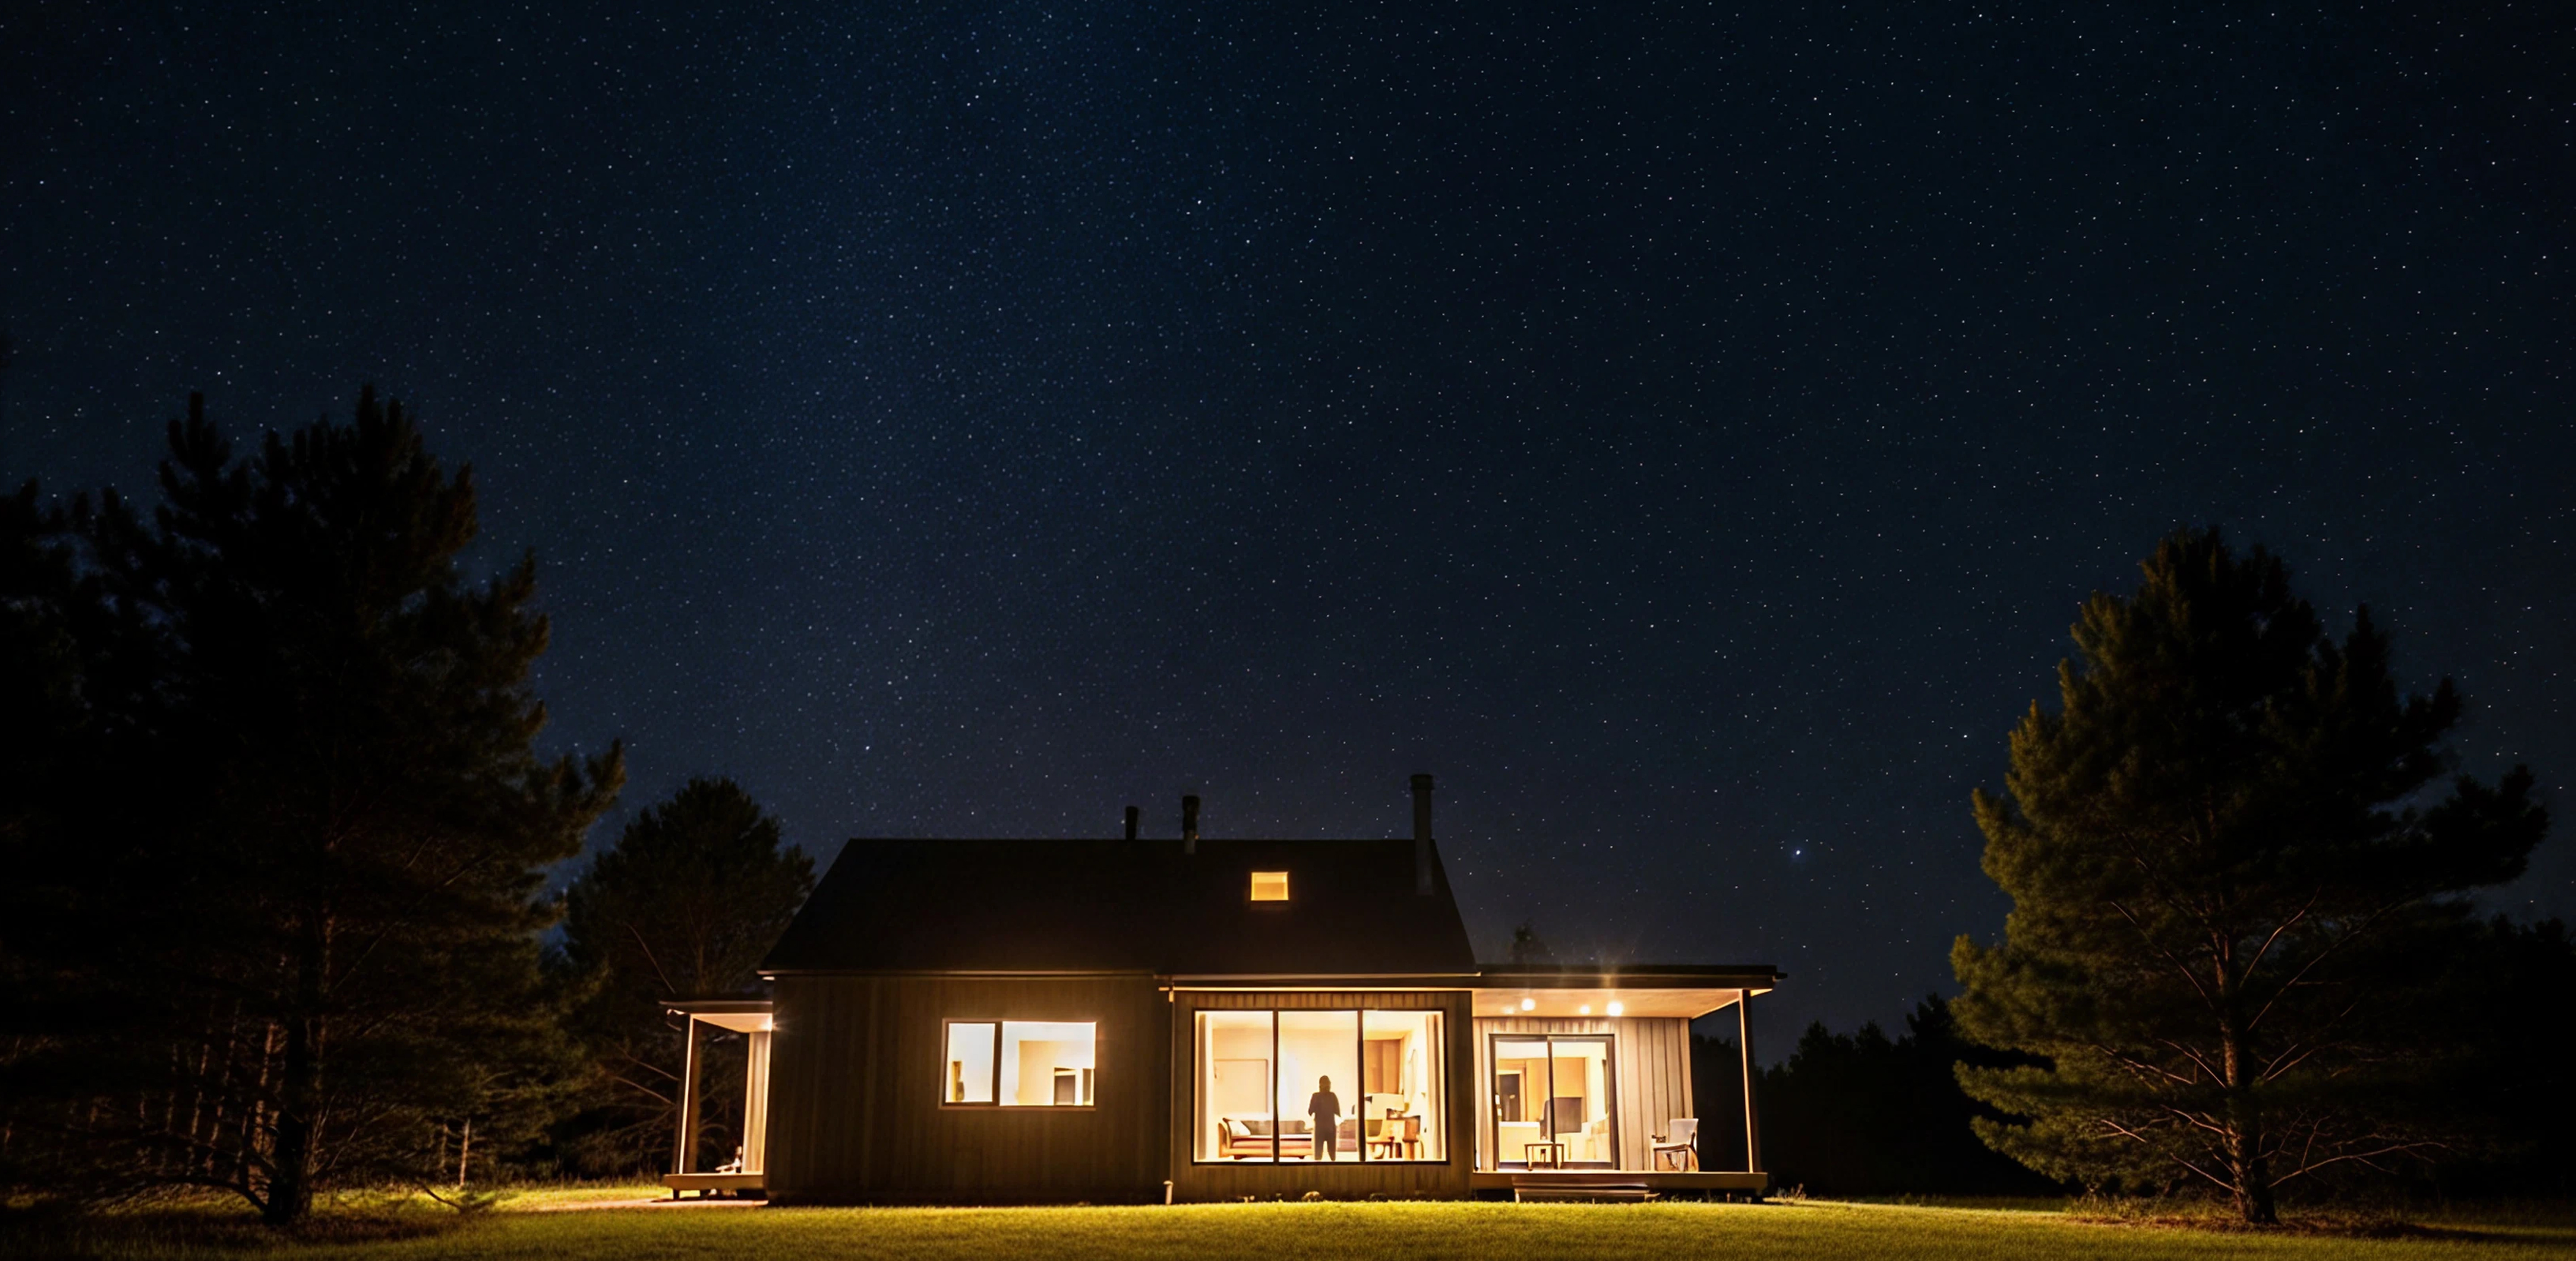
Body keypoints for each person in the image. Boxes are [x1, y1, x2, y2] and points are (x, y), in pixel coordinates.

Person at [1307, 1075, 1343, 1161]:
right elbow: (1337, 1111)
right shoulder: (1332, 1096)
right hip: (1329, 1127)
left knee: (1320, 1153)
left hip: (1321, 1127)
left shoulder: (1316, 1096)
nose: (1328, 1086)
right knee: (1330, 1153)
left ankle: (1319, 1167)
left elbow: (1310, 1111)